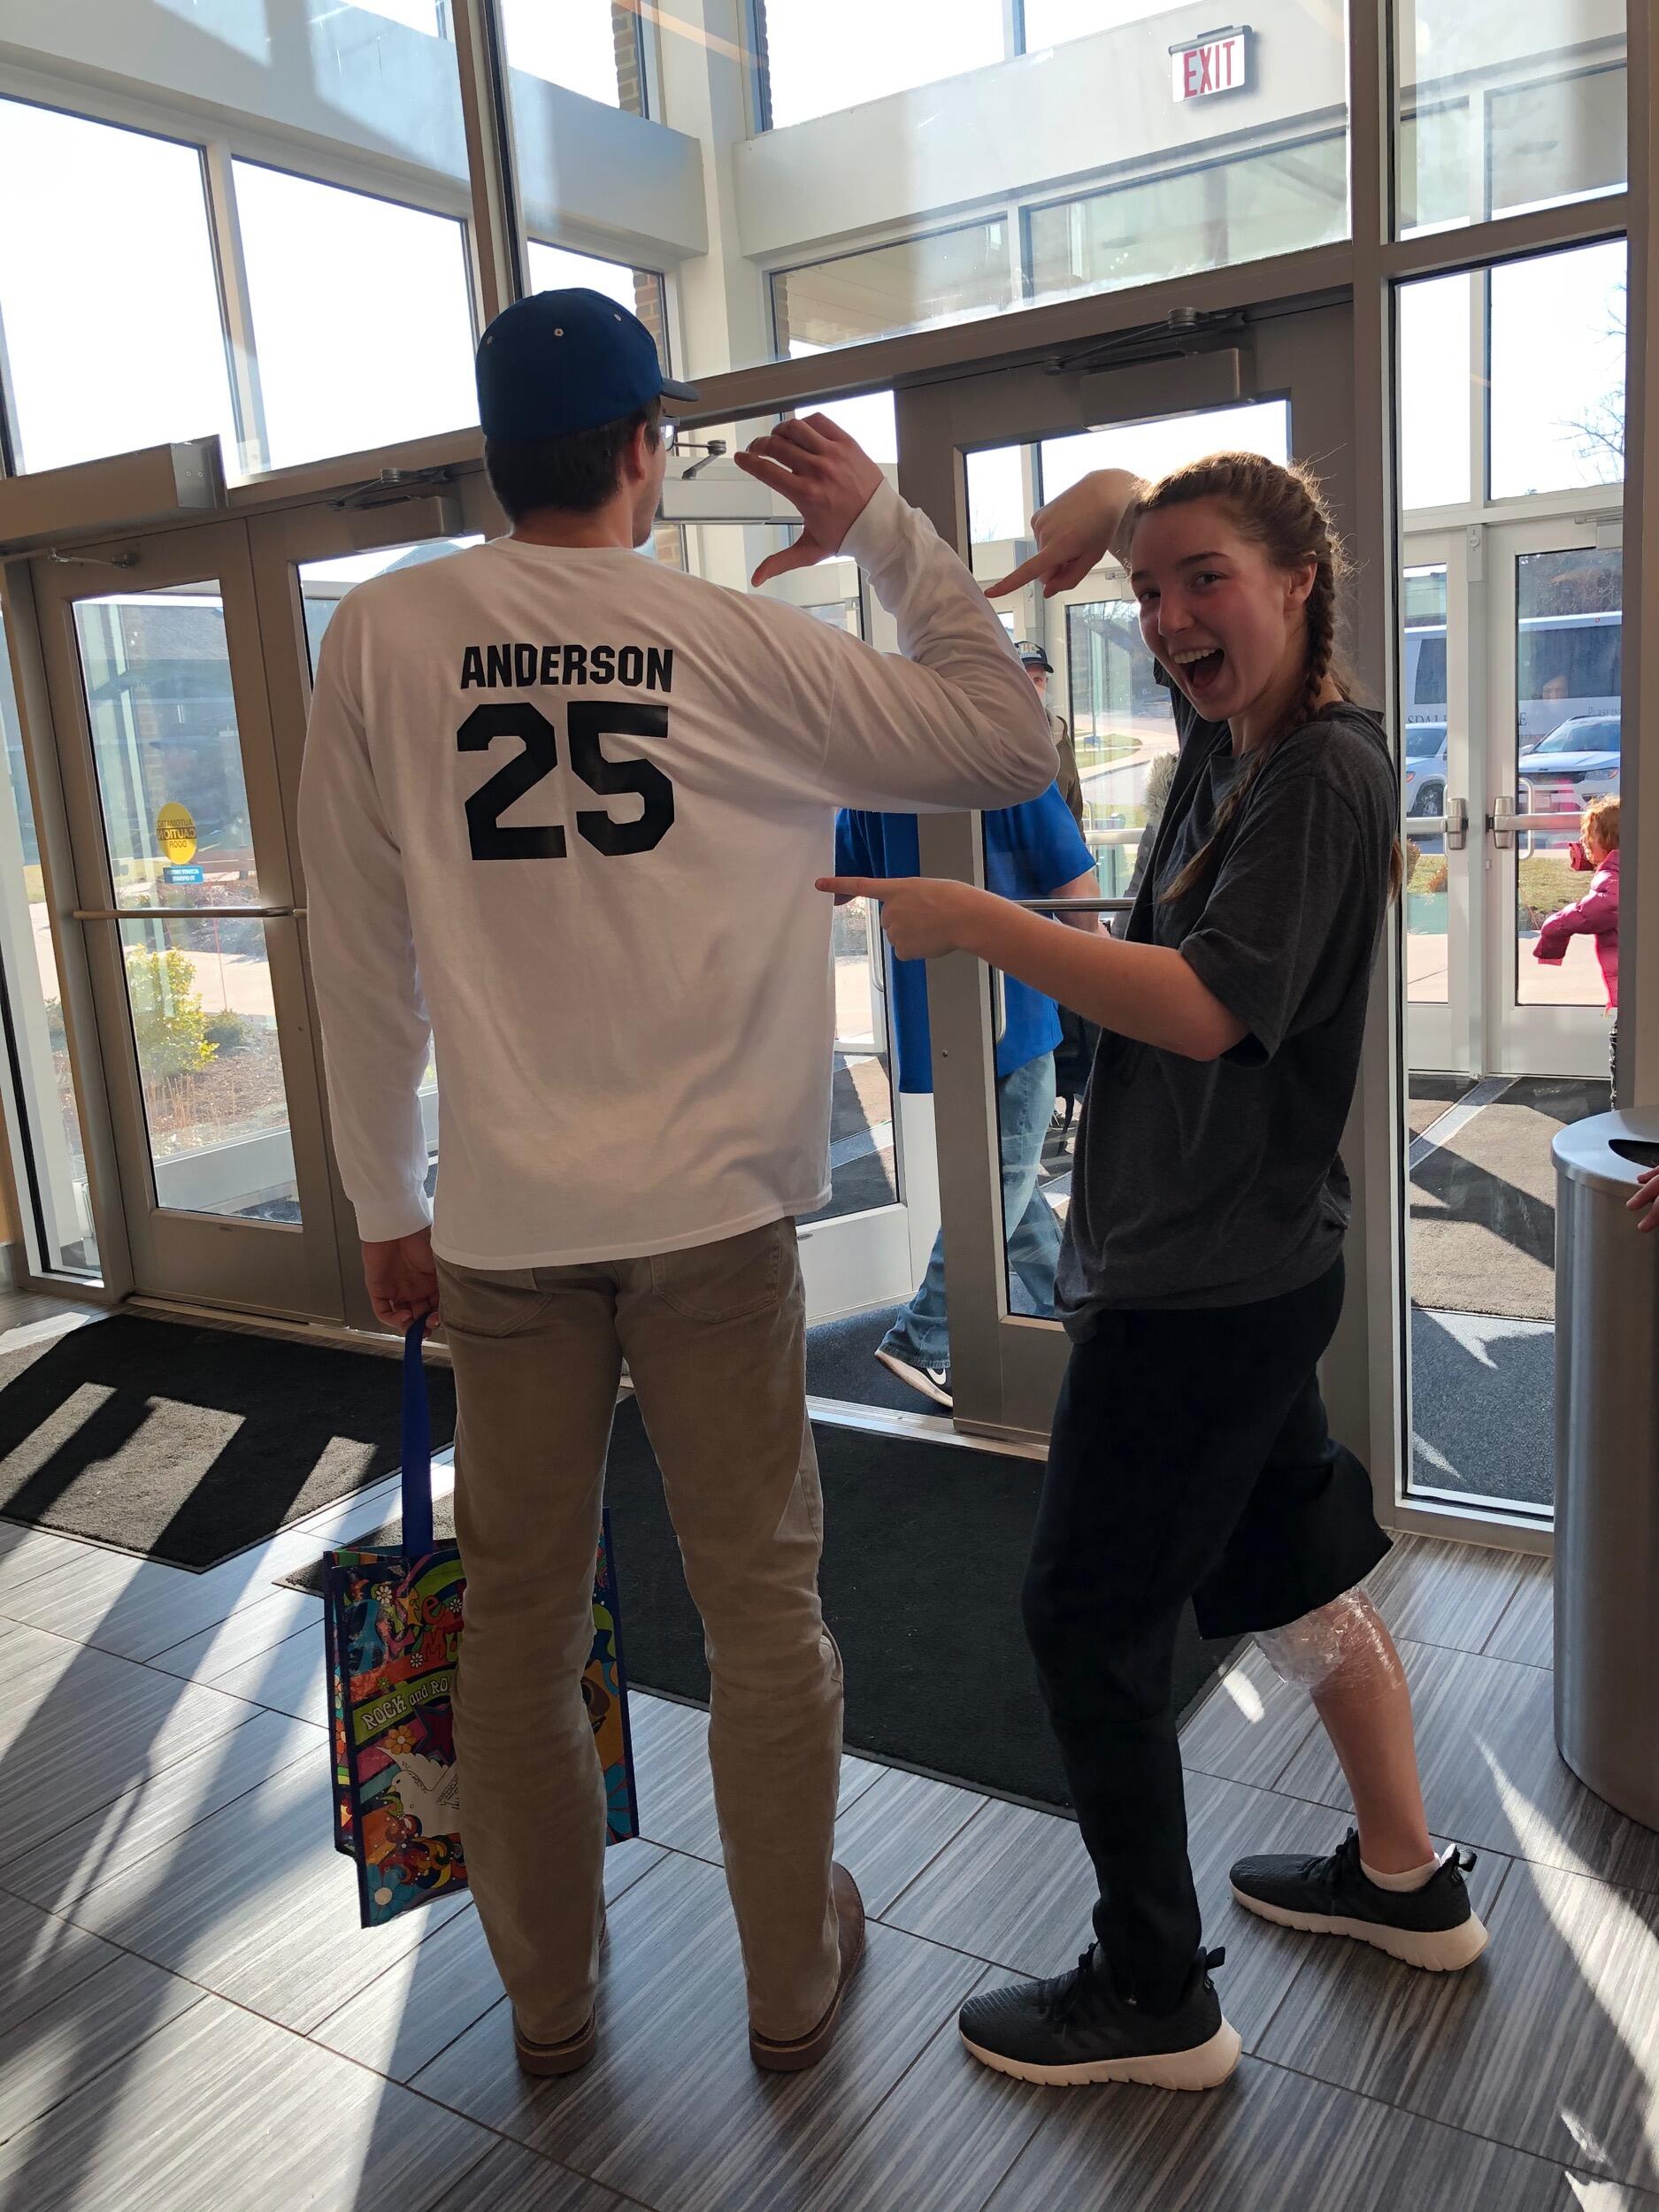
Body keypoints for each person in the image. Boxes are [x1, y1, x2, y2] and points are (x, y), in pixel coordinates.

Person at [297, 289, 1056, 2082]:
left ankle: (550, 2007)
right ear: (644, 452)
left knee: (519, 1621)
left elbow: (359, 945)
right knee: (763, 1613)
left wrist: (377, 1197)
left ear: (498, 457)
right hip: (714, 1212)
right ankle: (791, 1987)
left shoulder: (387, 638)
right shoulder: (724, 639)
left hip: (498, 1225)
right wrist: (875, 521)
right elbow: (1005, 740)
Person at [825, 450, 1486, 2093]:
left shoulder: (1318, 773)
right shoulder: (1235, 744)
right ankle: (1407, 1882)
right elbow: (1139, 492)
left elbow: (1200, 1006)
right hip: (1237, 1267)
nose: (1171, 616)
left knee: (1083, 1619)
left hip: (1205, 1291)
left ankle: (1152, 1995)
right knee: (1300, 1577)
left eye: (1208, 582)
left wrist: (964, 918)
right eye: (1150, 590)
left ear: (1299, 584)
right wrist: (1091, 513)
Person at [834, 789, 1099, 1408]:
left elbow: (841, 876)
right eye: (1033, 681)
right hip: (1016, 1010)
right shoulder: (1009, 772)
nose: (1037, 685)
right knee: (999, 1185)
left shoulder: (880, 779)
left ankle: (1071, 1319)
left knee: (1010, 1183)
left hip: (935, 1010)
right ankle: (921, 1338)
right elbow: (1079, 898)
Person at [1533, 794, 1620, 1094]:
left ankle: (1620, 1110)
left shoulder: (1612, 879)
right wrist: (1587, 859)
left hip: (1634, 995)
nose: (1583, 844)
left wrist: (1553, 927)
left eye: (1587, 839)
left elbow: (1601, 908)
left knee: (1623, 1059)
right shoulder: (1627, 866)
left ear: (1608, 841)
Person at [1018, 641, 1087, 829]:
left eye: (1037, 680)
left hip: (1057, 852)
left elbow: (1074, 806)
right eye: (1023, 679)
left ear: (1046, 683)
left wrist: (1078, 851)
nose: (1032, 688)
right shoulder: (995, 735)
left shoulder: (1059, 733)